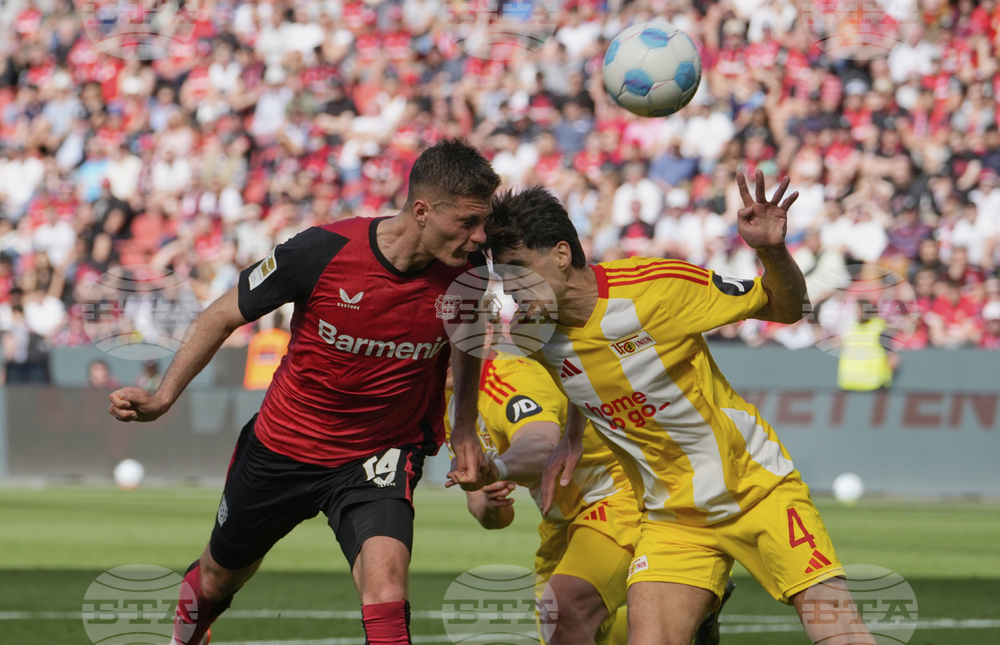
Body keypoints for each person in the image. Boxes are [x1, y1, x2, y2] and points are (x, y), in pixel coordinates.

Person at [108, 139, 501, 645]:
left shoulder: (470, 273)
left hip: (378, 454)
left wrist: (463, 429)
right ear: (422, 211)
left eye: (482, 221)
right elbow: (221, 314)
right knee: (216, 579)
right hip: (282, 446)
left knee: (386, 591)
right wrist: (163, 396)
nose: (478, 236)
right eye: (467, 222)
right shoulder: (321, 251)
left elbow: (466, 342)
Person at [481, 173, 876, 645]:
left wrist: (770, 251)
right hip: (671, 519)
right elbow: (581, 380)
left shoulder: (658, 287)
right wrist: (570, 436)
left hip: (756, 489)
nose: (512, 290)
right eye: (503, 278)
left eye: (519, 269)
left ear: (562, 254)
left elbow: (787, 309)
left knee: (839, 633)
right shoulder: (534, 334)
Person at [443, 300, 734, 645]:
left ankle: (686, 607)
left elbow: (542, 445)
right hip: (562, 518)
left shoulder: (513, 376)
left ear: (487, 334)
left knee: (566, 609)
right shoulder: (452, 404)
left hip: (618, 494)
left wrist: (500, 467)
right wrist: (490, 503)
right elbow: (488, 511)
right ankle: (689, 614)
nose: (438, 351)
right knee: (576, 630)